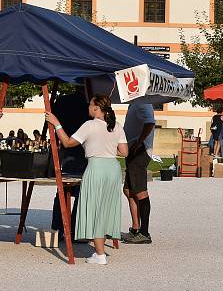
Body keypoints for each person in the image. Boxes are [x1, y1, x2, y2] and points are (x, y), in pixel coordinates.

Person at [45, 95, 128, 265]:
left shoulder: (89, 125)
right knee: (106, 208)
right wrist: (108, 150)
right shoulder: (116, 126)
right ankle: (100, 250)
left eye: (90, 105)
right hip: (112, 168)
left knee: (95, 208)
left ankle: (100, 254)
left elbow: (67, 143)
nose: (88, 108)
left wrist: (57, 123)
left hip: (96, 167)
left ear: (96, 108)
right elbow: (124, 152)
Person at [50, 92, 90, 239]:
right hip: (82, 148)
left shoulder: (62, 101)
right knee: (80, 192)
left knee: (63, 190)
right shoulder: (88, 102)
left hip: (65, 148)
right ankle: (76, 228)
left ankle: (59, 227)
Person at [122, 99, 156, 244]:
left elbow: (150, 123)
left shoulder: (143, 102)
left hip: (139, 151)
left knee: (141, 192)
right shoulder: (135, 103)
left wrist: (140, 142)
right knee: (128, 190)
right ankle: (136, 228)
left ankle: (144, 232)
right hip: (132, 149)